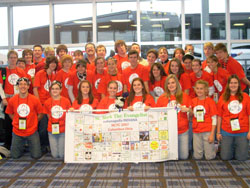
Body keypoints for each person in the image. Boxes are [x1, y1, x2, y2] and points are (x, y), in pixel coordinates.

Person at [6, 77, 43, 159]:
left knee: (36, 156)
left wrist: (34, 122)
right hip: (17, 131)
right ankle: (22, 146)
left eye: (25, 84)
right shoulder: (12, 100)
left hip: (32, 131)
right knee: (14, 156)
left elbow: (41, 113)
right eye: (20, 84)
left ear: (28, 86)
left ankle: (27, 146)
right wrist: (15, 121)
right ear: (17, 86)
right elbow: (9, 113)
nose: (23, 86)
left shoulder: (34, 99)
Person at [157, 74, 191, 160]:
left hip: (182, 130)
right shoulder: (162, 98)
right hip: (168, 131)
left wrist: (188, 110)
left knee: (183, 156)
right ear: (166, 85)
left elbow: (192, 113)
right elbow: (157, 115)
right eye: (168, 83)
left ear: (177, 84)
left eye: (173, 82)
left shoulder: (184, 96)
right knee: (169, 157)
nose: (171, 85)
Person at [217, 75, 250, 161]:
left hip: (242, 131)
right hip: (227, 131)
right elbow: (219, 116)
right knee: (225, 157)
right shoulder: (223, 97)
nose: (233, 85)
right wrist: (218, 132)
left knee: (242, 158)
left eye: (235, 83)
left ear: (239, 84)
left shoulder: (246, 96)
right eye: (231, 83)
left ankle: (238, 149)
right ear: (228, 85)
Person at [0, 50, 26, 152]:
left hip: (19, 100)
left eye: (15, 57)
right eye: (11, 57)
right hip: (7, 100)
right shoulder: (3, 71)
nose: (13, 59)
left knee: (19, 122)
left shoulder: (21, 71)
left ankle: (20, 144)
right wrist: (4, 98)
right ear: (8, 58)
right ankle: (7, 144)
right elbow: (0, 86)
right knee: (7, 123)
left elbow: (24, 86)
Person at [33, 56, 58, 153]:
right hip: (42, 104)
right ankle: (42, 145)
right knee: (43, 127)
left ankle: (48, 145)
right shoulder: (40, 74)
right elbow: (35, 88)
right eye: (51, 63)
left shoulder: (54, 75)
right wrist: (39, 103)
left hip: (50, 104)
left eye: (54, 63)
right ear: (48, 64)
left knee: (50, 125)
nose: (53, 65)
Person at [43, 81, 71, 159]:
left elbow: (69, 115)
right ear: (50, 90)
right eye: (53, 89)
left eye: (57, 89)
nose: (55, 90)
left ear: (61, 90)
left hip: (63, 130)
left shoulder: (66, 101)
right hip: (52, 130)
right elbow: (48, 116)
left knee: (61, 155)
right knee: (55, 155)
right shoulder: (47, 102)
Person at [191, 80, 217, 160]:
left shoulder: (210, 102)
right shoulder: (193, 101)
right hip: (196, 131)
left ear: (206, 90)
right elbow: (191, 116)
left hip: (207, 131)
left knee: (209, 157)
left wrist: (212, 134)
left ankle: (214, 148)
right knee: (197, 156)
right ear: (195, 89)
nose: (199, 90)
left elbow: (214, 118)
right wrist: (188, 112)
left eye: (201, 89)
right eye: (197, 88)